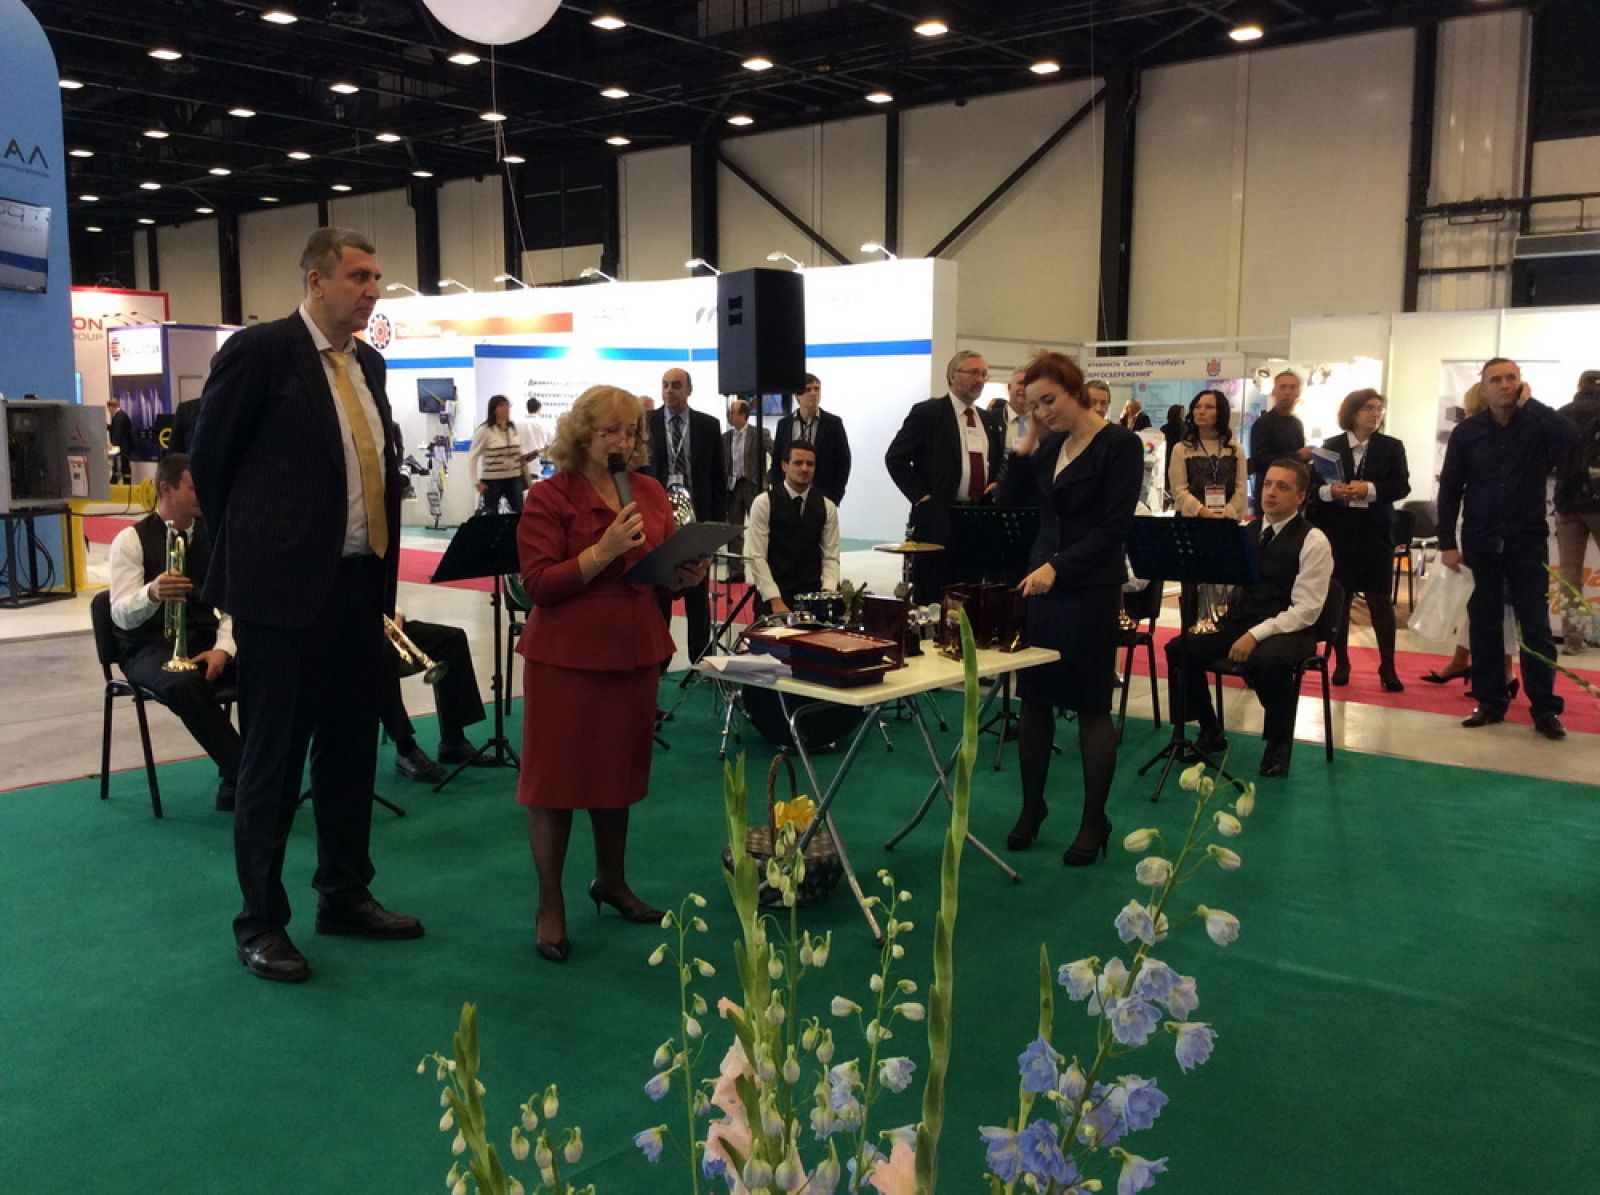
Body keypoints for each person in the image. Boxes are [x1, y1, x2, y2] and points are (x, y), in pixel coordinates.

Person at [190, 226, 421, 985]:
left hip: (358, 587)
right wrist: (261, 554)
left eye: (376, 277)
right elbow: (211, 464)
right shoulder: (261, 352)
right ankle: (260, 921)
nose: (372, 290)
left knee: (351, 748)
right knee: (274, 760)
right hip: (283, 597)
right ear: (316, 280)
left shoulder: (369, 364)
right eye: (358, 276)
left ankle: (344, 894)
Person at [516, 385, 709, 963]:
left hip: (631, 649)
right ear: (582, 435)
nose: (623, 442)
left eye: (631, 432)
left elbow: (656, 572)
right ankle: (549, 903)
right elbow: (539, 584)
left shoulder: (648, 491)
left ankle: (611, 880)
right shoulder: (549, 495)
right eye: (610, 432)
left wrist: (684, 575)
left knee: (616, 775)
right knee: (554, 786)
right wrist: (601, 550)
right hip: (566, 657)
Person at [999, 352, 1142, 864]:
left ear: (1075, 391)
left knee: (1090, 707)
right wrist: (1027, 442)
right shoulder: (1051, 444)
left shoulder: (1120, 445)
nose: (1042, 411)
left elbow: (1114, 528)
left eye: (1049, 401)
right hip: (1043, 588)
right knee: (1034, 701)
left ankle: (1093, 820)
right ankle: (1032, 806)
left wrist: (1058, 567)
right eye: (1034, 404)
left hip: (1088, 589)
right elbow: (1009, 502)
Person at [1437, 357, 1579, 739]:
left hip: (1526, 541)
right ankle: (1489, 702)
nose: (1504, 385)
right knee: (1484, 625)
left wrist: (1531, 404)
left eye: (1511, 378)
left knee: (1535, 627)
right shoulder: (1467, 433)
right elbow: (1450, 488)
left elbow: (1571, 437)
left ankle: (1545, 708)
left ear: (1521, 383)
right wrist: (1446, 541)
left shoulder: (1536, 425)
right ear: (1483, 389)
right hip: (1480, 541)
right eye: (1496, 380)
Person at [1165, 459, 1334, 779]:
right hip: (1242, 621)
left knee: (1270, 661)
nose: (1271, 492)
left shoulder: (1314, 541)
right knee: (1180, 648)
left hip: (1291, 628)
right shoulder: (1246, 532)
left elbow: (1307, 609)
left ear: (1301, 496)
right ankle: (1210, 729)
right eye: (1267, 484)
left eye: (1282, 487)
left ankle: (1278, 743)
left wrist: (1256, 635)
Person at [107, 452, 241, 811]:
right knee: (183, 683)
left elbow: (230, 604)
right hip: (147, 646)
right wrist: (151, 593)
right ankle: (245, 773)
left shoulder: (213, 536)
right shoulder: (129, 540)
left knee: (267, 667)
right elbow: (119, 614)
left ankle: (241, 776)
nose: (203, 494)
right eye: (194, 487)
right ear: (166, 489)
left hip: (204, 640)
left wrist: (224, 649)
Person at [884, 350, 1005, 603]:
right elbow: (896, 458)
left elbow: (994, 462)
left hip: (977, 520)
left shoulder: (987, 420)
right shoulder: (928, 413)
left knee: (971, 595)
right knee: (934, 595)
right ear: (952, 376)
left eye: (984, 374)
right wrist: (922, 497)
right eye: (973, 373)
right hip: (938, 519)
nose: (980, 379)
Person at [1310, 389, 1410, 691]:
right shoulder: (1330, 447)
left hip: (1375, 532)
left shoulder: (1391, 446)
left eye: (1379, 409)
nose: (1375, 414)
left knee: (1380, 599)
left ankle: (1388, 666)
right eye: (1368, 408)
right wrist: (1331, 492)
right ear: (1352, 412)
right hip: (1338, 532)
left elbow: (1401, 486)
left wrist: (1370, 489)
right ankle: (1341, 661)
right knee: (1341, 599)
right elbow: (1313, 488)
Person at [645, 367, 727, 662]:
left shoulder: (708, 425)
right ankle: (659, 660)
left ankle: (700, 659)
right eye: (665, 385)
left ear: (689, 390)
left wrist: (716, 525)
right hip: (658, 518)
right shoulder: (647, 423)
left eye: (676, 385)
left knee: (697, 590)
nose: (669, 390)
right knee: (660, 593)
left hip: (696, 518)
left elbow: (718, 478)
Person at [1168, 389, 1248, 625]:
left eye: (1209, 407)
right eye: (1198, 406)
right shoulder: (1181, 449)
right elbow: (1179, 491)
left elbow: (1241, 488)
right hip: (1192, 525)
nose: (1201, 411)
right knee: (1192, 587)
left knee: (1224, 587)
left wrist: (1226, 514)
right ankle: (1190, 634)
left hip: (1225, 525)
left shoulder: (1235, 449)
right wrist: (1204, 512)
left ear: (1220, 412)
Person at [380, 614, 486, 782]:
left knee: (453, 639)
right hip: (354, 638)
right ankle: (405, 749)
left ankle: (453, 742)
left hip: (384, 627)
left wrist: (396, 614)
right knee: (380, 659)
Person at [745, 440, 840, 615]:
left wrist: (827, 595)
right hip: (773, 596)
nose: (804, 468)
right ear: (784, 465)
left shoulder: (828, 507)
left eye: (810, 464)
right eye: (798, 463)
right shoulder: (763, 503)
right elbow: (757, 556)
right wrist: (775, 600)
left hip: (812, 596)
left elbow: (831, 557)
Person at [1554, 370, 1600, 654]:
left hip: (1567, 503)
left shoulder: (1562, 415)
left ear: (1579, 385)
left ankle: (1573, 640)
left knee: (1569, 575)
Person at [769, 373, 852, 507]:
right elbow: (777, 460)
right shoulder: (784, 424)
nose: (813, 393)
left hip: (822, 495)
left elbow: (843, 462)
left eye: (817, 389)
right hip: (788, 495)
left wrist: (835, 497)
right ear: (797, 396)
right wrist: (777, 491)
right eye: (808, 389)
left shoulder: (833, 424)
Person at [722, 398, 773, 584]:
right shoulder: (725, 437)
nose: (728, 416)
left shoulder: (759, 433)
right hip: (733, 487)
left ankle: (766, 569)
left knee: (761, 529)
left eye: (732, 412)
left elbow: (776, 453)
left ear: (743, 415)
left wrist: (768, 477)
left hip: (753, 485)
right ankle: (736, 571)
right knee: (733, 530)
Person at [1249, 370, 1313, 513]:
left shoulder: (1297, 424)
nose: (1287, 392)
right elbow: (1258, 462)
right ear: (1274, 391)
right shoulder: (1263, 424)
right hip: (1268, 494)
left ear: (1298, 393)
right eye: (1283, 387)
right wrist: (1298, 455)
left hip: (1291, 494)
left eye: (1292, 387)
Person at [469, 394, 527, 515]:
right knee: (491, 515)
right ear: (494, 409)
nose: (506, 408)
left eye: (508, 405)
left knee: (520, 512)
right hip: (492, 480)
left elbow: (519, 451)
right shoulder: (484, 430)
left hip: (514, 477)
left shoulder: (513, 428)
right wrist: (476, 481)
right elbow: (473, 457)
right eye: (502, 405)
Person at [106, 396, 134, 483]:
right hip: (125, 446)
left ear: (112, 407)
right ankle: (123, 482)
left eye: (108, 408)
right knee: (124, 466)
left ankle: (116, 483)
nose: (108, 410)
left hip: (123, 447)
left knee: (122, 466)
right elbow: (117, 429)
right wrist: (108, 427)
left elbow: (118, 431)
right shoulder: (121, 415)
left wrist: (113, 444)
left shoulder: (119, 417)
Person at [1002, 367, 1030, 450]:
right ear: (1009, 387)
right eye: (1021, 383)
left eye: (1029, 384)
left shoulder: (1042, 421)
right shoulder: (992, 419)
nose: (1025, 388)